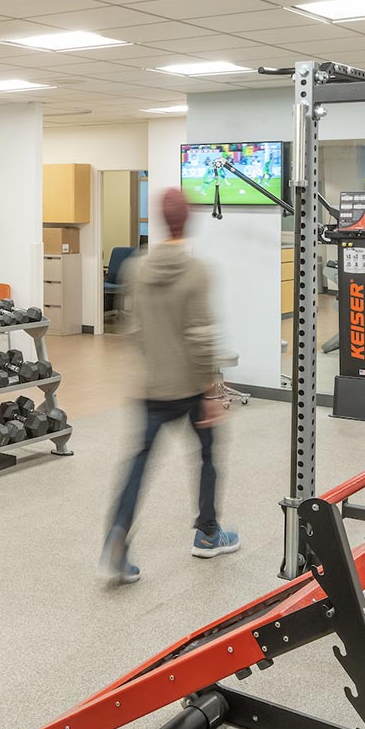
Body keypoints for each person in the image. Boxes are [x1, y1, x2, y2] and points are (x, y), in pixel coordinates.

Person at [99, 187, 237, 584]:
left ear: (160, 219)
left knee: (139, 463)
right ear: (188, 220)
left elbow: (135, 330)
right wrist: (211, 392)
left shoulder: (137, 269)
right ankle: (208, 532)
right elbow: (200, 336)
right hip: (190, 387)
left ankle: (117, 538)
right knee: (209, 455)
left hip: (151, 386)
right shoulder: (198, 271)